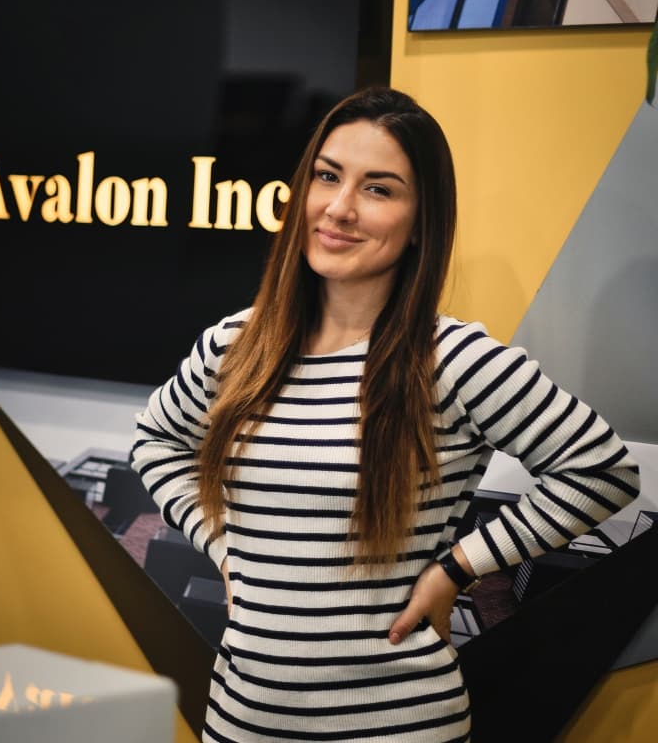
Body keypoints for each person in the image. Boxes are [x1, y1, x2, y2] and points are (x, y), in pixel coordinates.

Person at [132, 87, 640, 742]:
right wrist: (225, 550)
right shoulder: (236, 344)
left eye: (378, 189)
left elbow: (602, 471)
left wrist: (456, 569)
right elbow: (157, 440)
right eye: (327, 176)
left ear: (421, 221)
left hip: (398, 723)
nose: (339, 207)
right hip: (242, 719)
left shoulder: (451, 359)